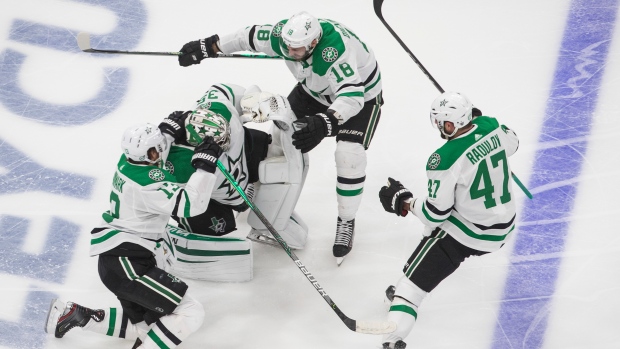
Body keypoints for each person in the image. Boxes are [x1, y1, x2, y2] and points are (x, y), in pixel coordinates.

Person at [177, 11, 384, 265]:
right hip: (314, 91)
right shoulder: (283, 37)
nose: (289, 52)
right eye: (287, 47)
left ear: (314, 43)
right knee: (280, 134)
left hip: (361, 97)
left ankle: (347, 219)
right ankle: (259, 190)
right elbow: (248, 37)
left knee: (349, 156)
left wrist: (325, 122)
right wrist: (209, 46)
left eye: (296, 49)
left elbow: (352, 96)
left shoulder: (334, 53)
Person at [45, 122, 223, 348]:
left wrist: (168, 132)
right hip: (128, 262)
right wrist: (204, 169)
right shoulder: (147, 182)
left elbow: (157, 155)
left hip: (119, 258)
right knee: (190, 313)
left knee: (152, 325)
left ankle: (76, 315)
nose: (151, 158)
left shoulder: (128, 161)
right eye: (149, 154)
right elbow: (190, 205)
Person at [377, 92, 519, 349]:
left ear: (450, 123)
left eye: (442, 122)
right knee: (433, 232)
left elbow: (435, 213)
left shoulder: (444, 158)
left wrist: (403, 201)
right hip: (505, 224)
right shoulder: (491, 126)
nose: (440, 127)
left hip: (471, 234)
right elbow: (514, 142)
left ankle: (393, 335)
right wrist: (477, 124)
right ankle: (418, 268)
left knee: (410, 289)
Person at [161, 83, 309, 251]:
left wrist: (257, 101)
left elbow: (238, 92)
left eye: (226, 134)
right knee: (209, 222)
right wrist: (164, 137)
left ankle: (252, 191)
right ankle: (197, 236)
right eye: (220, 142)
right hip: (220, 195)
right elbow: (162, 190)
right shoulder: (182, 165)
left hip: (246, 157)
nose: (226, 141)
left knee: (266, 149)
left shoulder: (220, 107)